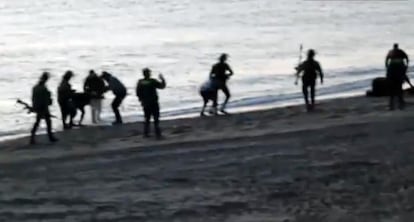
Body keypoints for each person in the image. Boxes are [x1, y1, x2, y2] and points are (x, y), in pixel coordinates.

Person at [136, 68, 166, 138]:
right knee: (156, 118)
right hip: (153, 102)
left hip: (146, 103)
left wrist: (141, 100)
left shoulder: (140, 82)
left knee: (147, 118)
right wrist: (162, 79)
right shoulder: (152, 81)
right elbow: (162, 86)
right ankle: (157, 134)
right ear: (149, 74)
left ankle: (146, 133)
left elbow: (138, 93)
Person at [30, 72, 58, 145]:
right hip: (43, 107)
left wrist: (34, 107)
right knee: (48, 122)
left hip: (38, 106)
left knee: (38, 122)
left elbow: (33, 98)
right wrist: (47, 106)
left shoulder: (35, 87)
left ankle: (32, 137)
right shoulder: (43, 88)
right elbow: (45, 99)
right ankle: (50, 137)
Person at [385, 43, 412, 110]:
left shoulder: (391, 52)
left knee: (393, 85)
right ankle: (400, 102)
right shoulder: (400, 51)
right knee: (399, 84)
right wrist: (406, 66)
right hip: (399, 67)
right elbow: (407, 58)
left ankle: (393, 104)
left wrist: (387, 67)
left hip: (393, 68)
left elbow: (386, 60)